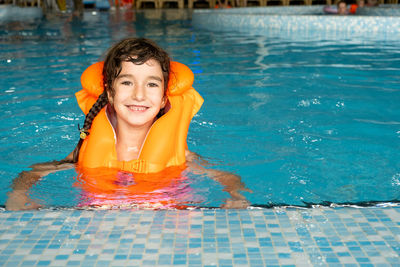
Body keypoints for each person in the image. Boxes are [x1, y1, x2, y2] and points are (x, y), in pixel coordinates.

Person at [6, 37, 251, 211]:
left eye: (152, 84)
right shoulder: (83, 151)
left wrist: (236, 196)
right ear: (110, 94)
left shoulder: (181, 155)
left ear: (164, 97)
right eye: (127, 82)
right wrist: (18, 195)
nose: (139, 95)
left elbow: (227, 177)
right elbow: (34, 172)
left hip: (166, 220)